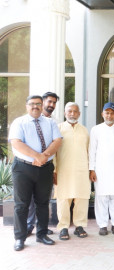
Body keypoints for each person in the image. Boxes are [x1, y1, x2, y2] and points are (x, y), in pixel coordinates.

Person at [9, 95, 62, 251]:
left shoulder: (51, 123)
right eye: (32, 104)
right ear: (27, 106)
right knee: (21, 205)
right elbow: (16, 143)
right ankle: (20, 238)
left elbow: (57, 141)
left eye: (38, 104)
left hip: (45, 168)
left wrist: (43, 157)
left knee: (43, 203)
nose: (35, 106)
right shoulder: (19, 122)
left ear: (42, 105)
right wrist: (37, 156)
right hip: (23, 168)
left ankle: (42, 234)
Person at [89, 102, 114, 236]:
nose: (109, 115)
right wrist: (91, 169)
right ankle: (102, 225)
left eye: (112, 113)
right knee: (101, 198)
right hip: (100, 170)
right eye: (107, 112)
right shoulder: (95, 129)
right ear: (102, 114)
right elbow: (92, 150)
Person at [54, 102, 90, 241]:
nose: (72, 114)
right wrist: (54, 170)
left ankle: (79, 226)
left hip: (82, 170)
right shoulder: (58, 129)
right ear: (65, 113)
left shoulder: (84, 130)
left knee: (81, 198)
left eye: (75, 111)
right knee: (63, 198)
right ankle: (63, 227)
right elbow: (54, 153)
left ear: (79, 114)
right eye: (69, 111)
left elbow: (89, 152)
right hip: (63, 170)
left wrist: (90, 169)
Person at [27, 91, 59, 237]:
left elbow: (56, 144)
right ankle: (28, 226)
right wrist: (35, 157)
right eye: (49, 102)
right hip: (30, 164)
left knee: (43, 199)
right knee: (30, 199)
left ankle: (42, 227)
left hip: (47, 165)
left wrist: (50, 164)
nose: (51, 105)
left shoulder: (54, 122)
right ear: (42, 103)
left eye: (54, 103)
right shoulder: (28, 121)